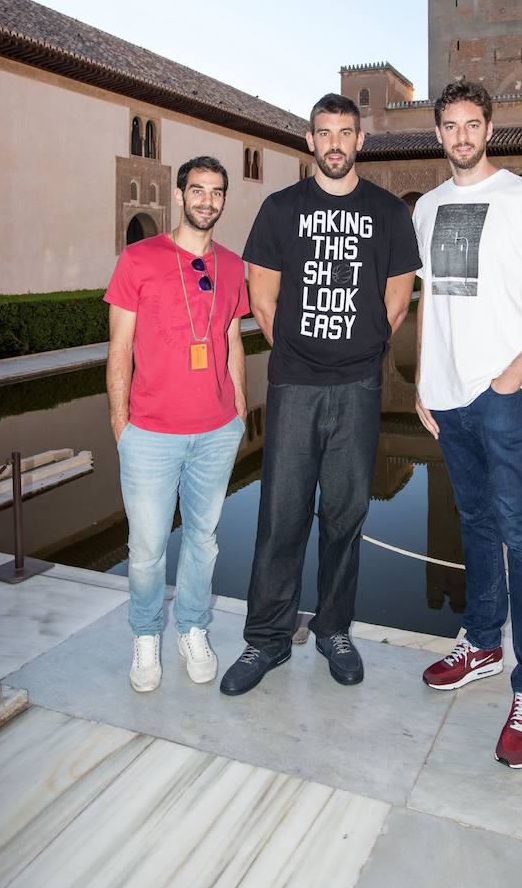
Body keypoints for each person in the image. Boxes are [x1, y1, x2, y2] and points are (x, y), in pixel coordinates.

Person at [220, 94, 420, 695]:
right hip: (294, 385)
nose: (334, 143)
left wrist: (366, 347)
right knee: (281, 515)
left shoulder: (387, 213)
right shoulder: (282, 209)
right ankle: (267, 639)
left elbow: (398, 294)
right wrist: (297, 351)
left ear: (359, 141)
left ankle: (335, 629)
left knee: (345, 514)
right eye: (324, 133)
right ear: (310, 141)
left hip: (358, 387)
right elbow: (262, 295)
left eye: (345, 133)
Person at [413, 81, 522, 768]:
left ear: (491, 128)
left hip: (505, 399)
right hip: (448, 397)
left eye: (472, 124)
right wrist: (424, 378)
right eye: (450, 125)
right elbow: (429, 298)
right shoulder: (426, 208)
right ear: (437, 133)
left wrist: (512, 377)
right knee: (475, 524)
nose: (461, 135)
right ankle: (482, 643)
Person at [105, 155, 248, 693]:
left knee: (203, 541)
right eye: (198, 190)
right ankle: (145, 635)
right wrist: (122, 424)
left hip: (215, 431)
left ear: (223, 200)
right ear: (180, 194)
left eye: (216, 192)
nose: (207, 200)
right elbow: (119, 348)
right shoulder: (138, 259)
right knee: (145, 549)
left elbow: (234, 341)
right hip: (150, 434)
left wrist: (237, 411)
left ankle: (192, 627)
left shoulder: (232, 266)